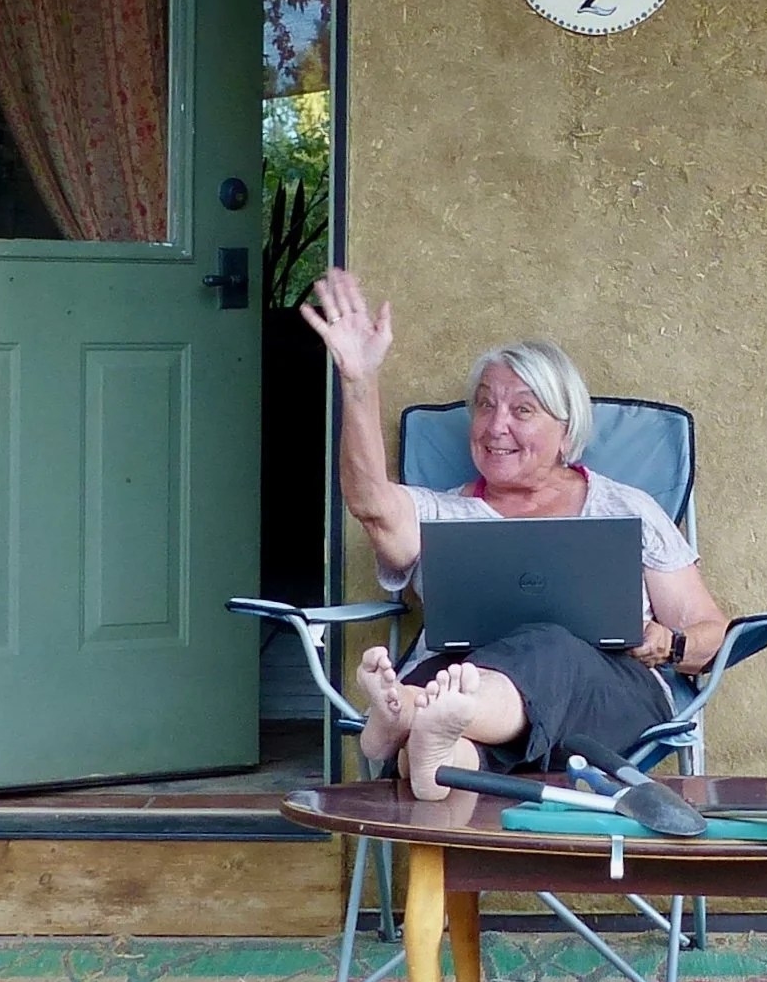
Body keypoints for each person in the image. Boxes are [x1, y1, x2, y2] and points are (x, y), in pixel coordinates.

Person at [301, 268, 728, 800]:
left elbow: (709, 632)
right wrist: (359, 382)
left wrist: (670, 642)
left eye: (522, 409)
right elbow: (370, 504)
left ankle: (407, 711)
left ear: (566, 430)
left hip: (607, 689)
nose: (495, 424)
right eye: (484, 404)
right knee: (436, 756)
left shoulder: (626, 508)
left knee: (548, 643)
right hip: (460, 683)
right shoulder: (443, 512)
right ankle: (429, 742)